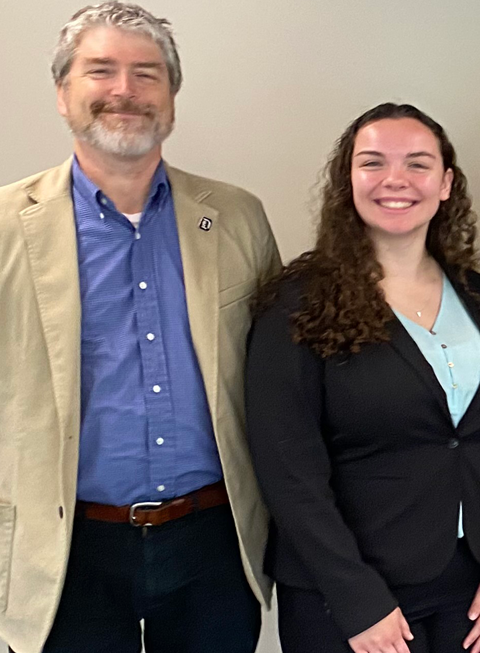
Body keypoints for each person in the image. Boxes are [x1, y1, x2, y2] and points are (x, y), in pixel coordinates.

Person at [0, 3, 280, 651]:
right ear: (63, 93)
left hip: (213, 538)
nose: (125, 90)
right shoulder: (9, 225)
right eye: (101, 71)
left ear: (172, 97)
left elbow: (278, 377)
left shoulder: (237, 217)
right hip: (65, 547)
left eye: (147, 74)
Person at [245, 102, 480, 653]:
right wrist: (358, 601)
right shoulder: (298, 304)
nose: (395, 180)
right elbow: (288, 470)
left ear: (446, 183)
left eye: (418, 164)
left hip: (465, 586)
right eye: (373, 163)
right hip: (347, 595)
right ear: (347, 181)